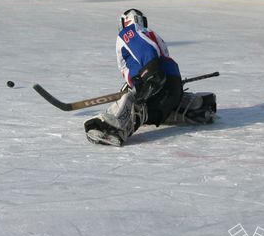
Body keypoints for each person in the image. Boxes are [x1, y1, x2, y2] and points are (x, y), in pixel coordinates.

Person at [84, 8, 217, 146]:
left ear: (125, 21)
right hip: (172, 88)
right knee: (151, 111)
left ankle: (112, 128)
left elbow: (145, 50)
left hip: (154, 85)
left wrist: (150, 75)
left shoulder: (128, 31)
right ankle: (193, 107)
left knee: (132, 103)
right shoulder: (151, 34)